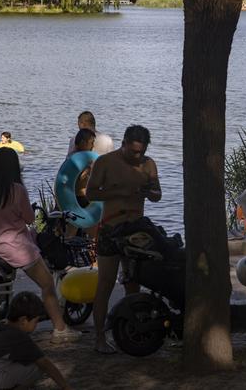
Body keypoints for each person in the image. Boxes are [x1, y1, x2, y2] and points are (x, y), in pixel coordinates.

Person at [0, 148, 81, 343]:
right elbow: (30, 219)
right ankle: (60, 329)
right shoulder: (16, 190)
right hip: (16, 248)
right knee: (47, 285)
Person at [86, 125, 161, 354]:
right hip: (111, 228)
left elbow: (158, 195)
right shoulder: (105, 162)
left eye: (141, 152)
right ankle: (99, 338)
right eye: (133, 152)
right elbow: (90, 193)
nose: (137, 156)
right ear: (124, 143)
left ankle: (132, 333)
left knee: (133, 283)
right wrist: (119, 193)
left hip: (136, 231)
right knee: (105, 284)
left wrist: (149, 192)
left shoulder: (148, 164)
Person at [0, 291, 72, 390]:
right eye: (35, 321)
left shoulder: (2, 324)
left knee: (24, 360)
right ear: (23, 320)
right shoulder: (17, 336)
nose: (36, 325)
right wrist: (65, 386)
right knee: (36, 367)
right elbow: (45, 363)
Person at [65, 128, 96, 238]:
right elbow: (77, 180)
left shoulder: (75, 156)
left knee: (75, 230)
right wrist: (88, 169)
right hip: (78, 199)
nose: (93, 146)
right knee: (76, 230)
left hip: (79, 198)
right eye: (91, 143)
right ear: (83, 142)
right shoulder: (76, 159)